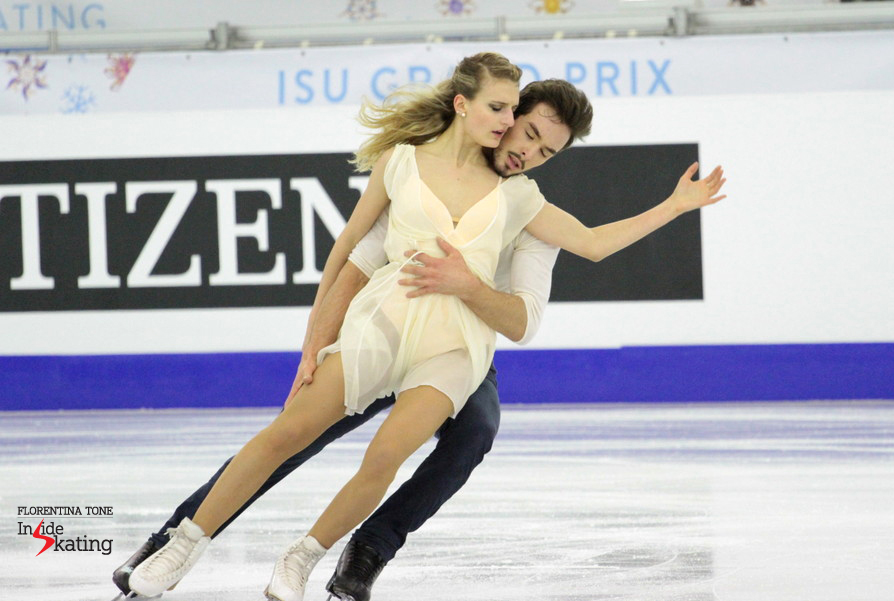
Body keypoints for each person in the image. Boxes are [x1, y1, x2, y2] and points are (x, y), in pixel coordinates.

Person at [126, 51, 725, 601]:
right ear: (497, 112)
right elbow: (354, 260)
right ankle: (172, 543)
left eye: (545, 151)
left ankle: (357, 550)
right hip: (385, 323)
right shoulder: (412, 166)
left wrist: (673, 206)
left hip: (461, 342)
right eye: (524, 130)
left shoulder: (523, 203)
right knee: (294, 429)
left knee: (467, 434)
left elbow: (533, 310)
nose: (525, 150)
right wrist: (313, 345)